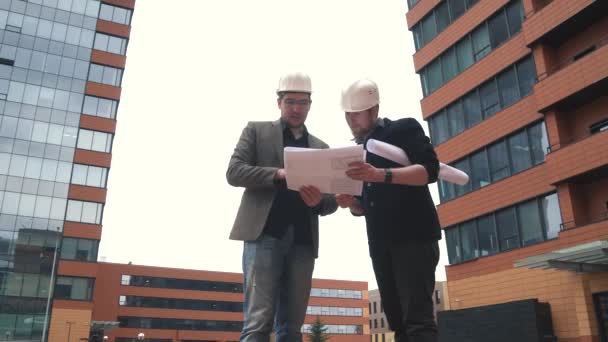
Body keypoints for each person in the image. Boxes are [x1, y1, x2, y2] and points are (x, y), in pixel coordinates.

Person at [226, 72, 338, 342]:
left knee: (292, 328)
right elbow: (234, 172)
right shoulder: (256, 130)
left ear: (311, 104)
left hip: (302, 243)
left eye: (302, 102)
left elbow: (332, 199)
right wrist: (278, 174)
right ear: (279, 102)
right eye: (290, 102)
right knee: (258, 322)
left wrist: (319, 202)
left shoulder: (322, 148)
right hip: (264, 236)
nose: (296, 109)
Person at [336, 79, 441, 342]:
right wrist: (352, 203)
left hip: (414, 237)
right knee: (398, 322)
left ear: (374, 109)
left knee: (417, 321)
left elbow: (429, 170)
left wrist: (379, 174)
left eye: (356, 113)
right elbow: (366, 204)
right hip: (381, 242)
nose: (351, 120)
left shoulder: (403, 129)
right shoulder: (357, 149)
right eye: (347, 114)